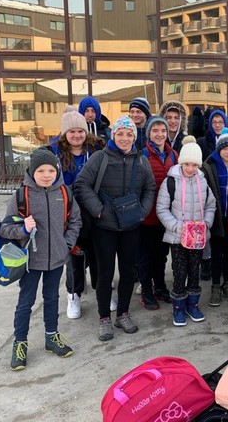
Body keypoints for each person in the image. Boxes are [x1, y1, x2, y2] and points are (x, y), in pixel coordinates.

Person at [74, 116, 156, 341]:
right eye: (120, 133)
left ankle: (123, 313)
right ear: (113, 135)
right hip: (104, 227)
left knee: (128, 271)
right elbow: (82, 184)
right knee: (105, 273)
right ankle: (104, 318)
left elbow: (150, 188)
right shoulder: (100, 158)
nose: (124, 138)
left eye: (129, 134)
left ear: (134, 137)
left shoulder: (141, 161)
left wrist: (142, 211)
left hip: (131, 226)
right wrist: (98, 210)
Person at [1, 148, 82, 370]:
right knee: (25, 302)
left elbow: (75, 221)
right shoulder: (21, 196)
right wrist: (23, 231)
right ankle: (20, 343)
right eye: (41, 171)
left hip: (56, 258)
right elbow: (5, 228)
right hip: (30, 261)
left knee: (52, 298)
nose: (46, 175)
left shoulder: (64, 193)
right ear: (32, 171)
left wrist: (66, 244)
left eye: (51, 171)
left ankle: (51, 337)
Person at [49, 107, 104, 319]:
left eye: (80, 131)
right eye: (72, 131)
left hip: (93, 210)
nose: (77, 135)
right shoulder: (54, 154)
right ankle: (74, 294)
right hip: (69, 214)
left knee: (98, 254)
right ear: (65, 133)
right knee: (74, 257)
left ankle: (102, 292)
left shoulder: (96, 149)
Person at [156, 137, 216, 327]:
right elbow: (161, 209)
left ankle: (193, 305)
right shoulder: (170, 182)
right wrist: (177, 226)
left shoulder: (203, 182)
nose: (191, 168)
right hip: (178, 238)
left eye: (194, 165)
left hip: (197, 237)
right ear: (181, 162)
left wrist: (206, 223)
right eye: (187, 164)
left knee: (194, 271)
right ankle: (178, 307)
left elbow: (211, 205)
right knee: (179, 271)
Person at [201, 128, 228, 307]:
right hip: (217, 216)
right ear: (219, 149)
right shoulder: (209, 165)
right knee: (216, 252)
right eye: (225, 148)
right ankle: (215, 286)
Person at [139, 116, 178, 310]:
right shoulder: (143, 155)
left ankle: (160, 287)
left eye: (163, 130)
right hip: (147, 217)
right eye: (155, 130)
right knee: (146, 257)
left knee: (161, 256)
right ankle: (146, 291)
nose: (160, 134)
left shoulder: (174, 155)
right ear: (149, 133)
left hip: (166, 216)